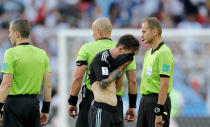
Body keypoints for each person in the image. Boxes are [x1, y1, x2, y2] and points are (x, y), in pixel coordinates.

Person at [68, 18, 138, 127]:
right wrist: (132, 106)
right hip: (116, 102)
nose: (92, 35)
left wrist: (72, 102)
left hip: (93, 101)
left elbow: (77, 78)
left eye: (93, 31)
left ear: (99, 31)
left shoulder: (87, 48)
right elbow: (132, 81)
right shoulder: (125, 51)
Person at [0, 18, 52, 127]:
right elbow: (48, 85)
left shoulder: (10, 53)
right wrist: (45, 110)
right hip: (33, 105)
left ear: (17, 33)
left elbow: (6, 84)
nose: (9, 35)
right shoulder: (42, 54)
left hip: (14, 106)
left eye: (10, 32)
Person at [88, 34, 140, 127]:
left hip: (115, 110)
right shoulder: (102, 58)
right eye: (129, 55)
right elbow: (103, 84)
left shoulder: (118, 62)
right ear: (120, 49)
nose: (129, 58)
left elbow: (118, 88)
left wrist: (122, 68)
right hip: (101, 109)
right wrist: (120, 68)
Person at [136, 17, 174, 127]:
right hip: (145, 101)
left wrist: (159, 110)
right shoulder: (148, 53)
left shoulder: (164, 53)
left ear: (154, 32)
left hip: (158, 102)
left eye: (144, 31)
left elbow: (164, 84)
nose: (141, 35)